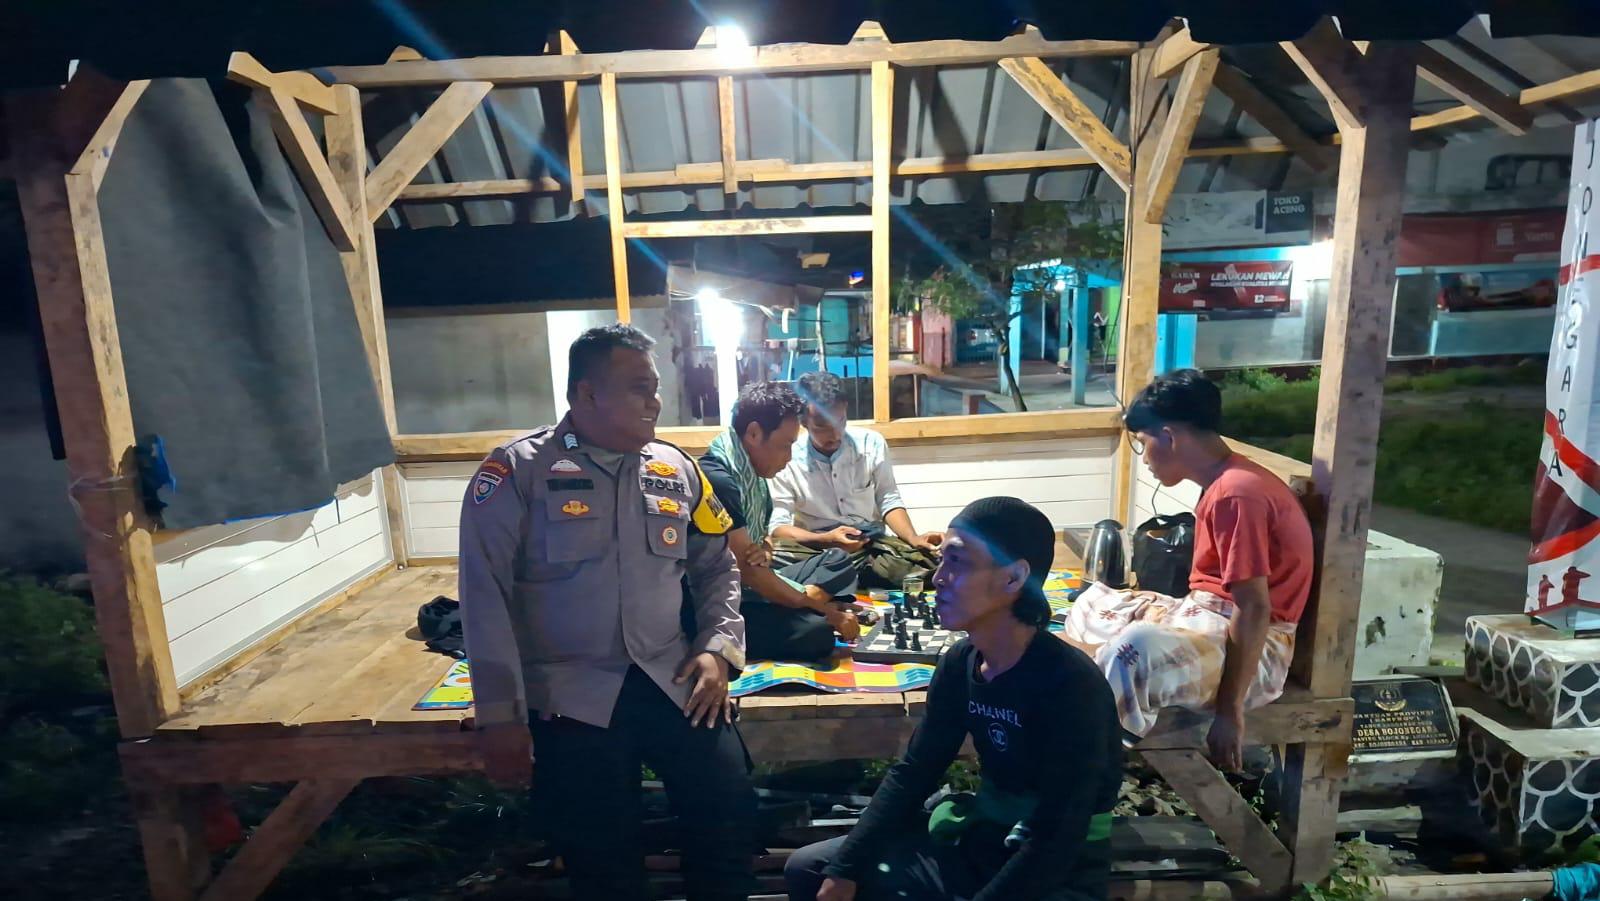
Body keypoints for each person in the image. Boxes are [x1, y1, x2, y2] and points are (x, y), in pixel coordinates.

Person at [458, 322, 757, 901]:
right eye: (640, 387)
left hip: (671, 678)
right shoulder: (517, 472)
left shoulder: (676, 468)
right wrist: (501, 716)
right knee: (602, 857)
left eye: (656, 387)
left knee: (729, 812)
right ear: (587, 393)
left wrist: (718, 649)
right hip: (571, 691)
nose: (656, 401)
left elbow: (718, 566)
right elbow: (484, 595)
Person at [784, 497, 1123, 901]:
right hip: (982, 845)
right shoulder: (962, 662)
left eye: (958, 562)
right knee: (813, 870)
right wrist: (846, 867)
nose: (939, 577)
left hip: (1055, 871)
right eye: (942, 560)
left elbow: (1058, 833)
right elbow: (916, 771)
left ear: (1014, 578)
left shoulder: (1069, 683)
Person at [1059, 369, 1314, 770]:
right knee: (1094, 601)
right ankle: (1103, 670)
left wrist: (1229, 712)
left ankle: (1088, 765)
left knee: (1136, 647)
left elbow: (1254, 608)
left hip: (1255, 652)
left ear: (1169, 436)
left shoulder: (1237, 493)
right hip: (1204, 618)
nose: (1144, 459)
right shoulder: (1226, 482)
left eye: (1143, 443)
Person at [700, 381, 862, 661]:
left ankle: (791, 601)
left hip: (754, 583)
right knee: (818, 633)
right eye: (785, 445)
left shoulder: (751, 474)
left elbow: (763, 541)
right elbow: (748, 573)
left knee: (839, 560)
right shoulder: (719, 479)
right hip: (722, 604)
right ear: (754, 433)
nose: (788, 458)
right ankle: (799, 602)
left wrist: (764, 548)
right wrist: (825, 611)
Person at [769, 370, 942, 588]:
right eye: (822, 426)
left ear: (846, 409)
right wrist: (826, 540)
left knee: (931, 565)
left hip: (869, 545)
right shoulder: (787, 459)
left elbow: (888, 498)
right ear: (803, 421)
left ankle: (840, 579)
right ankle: (845, 575)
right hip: (817, 550)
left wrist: (913, 538)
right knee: (771, 558)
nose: (835, 434)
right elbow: (778, 526)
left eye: (840, 421)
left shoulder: (871, 443)